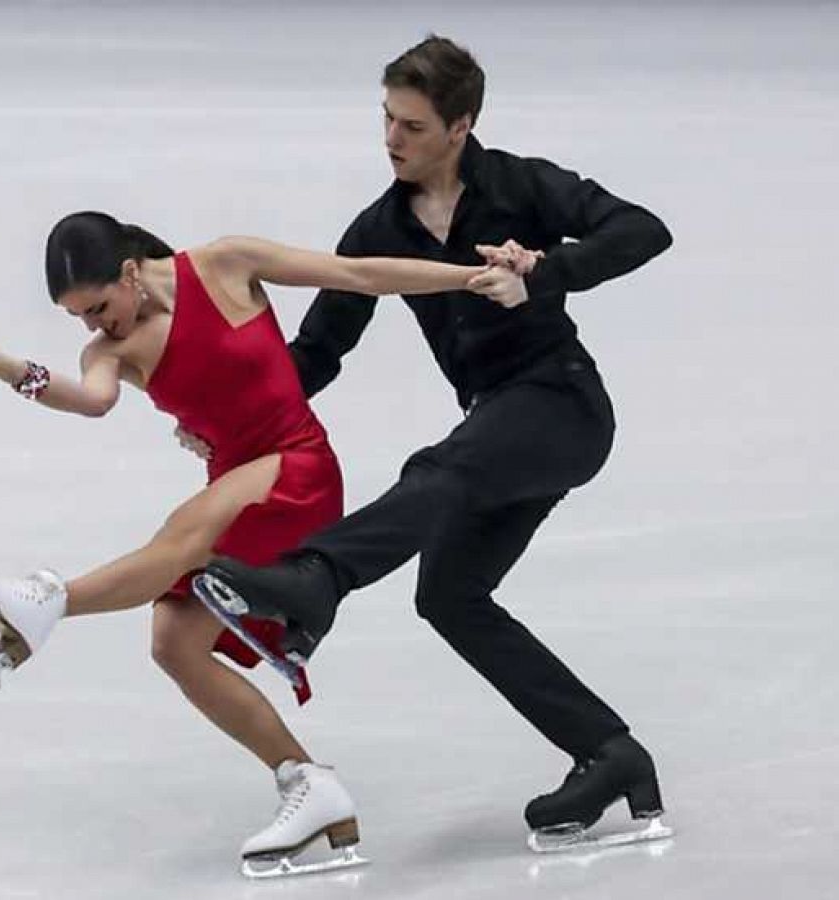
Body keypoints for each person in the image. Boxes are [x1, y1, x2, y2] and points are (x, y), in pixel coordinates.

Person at [187, 35, 676, 852]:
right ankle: (612, 754)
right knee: (447, 595)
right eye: (385, 118)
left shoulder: (518, 186)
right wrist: (227, 413)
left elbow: (642, 229)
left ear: (461, 125)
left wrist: (545, 270)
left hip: (561, 405)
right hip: (495, 421)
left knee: (441, 469)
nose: (390, 138)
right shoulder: (380, 227)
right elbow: (320, 350)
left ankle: (317, 580)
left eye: (411, 125)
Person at [0, 210, 521, 875]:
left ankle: (45, 602)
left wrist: (470, 277)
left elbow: (357, 274)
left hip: (298, 466)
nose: (94, 326)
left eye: (96, 307)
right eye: (78, 318)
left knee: (184, 534)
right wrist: (3, 366)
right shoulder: (110, 352)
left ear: (129, 273)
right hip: (238, 483)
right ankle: (307, 785)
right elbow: (90, 400)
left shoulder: (224, 264)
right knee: (174, 643)